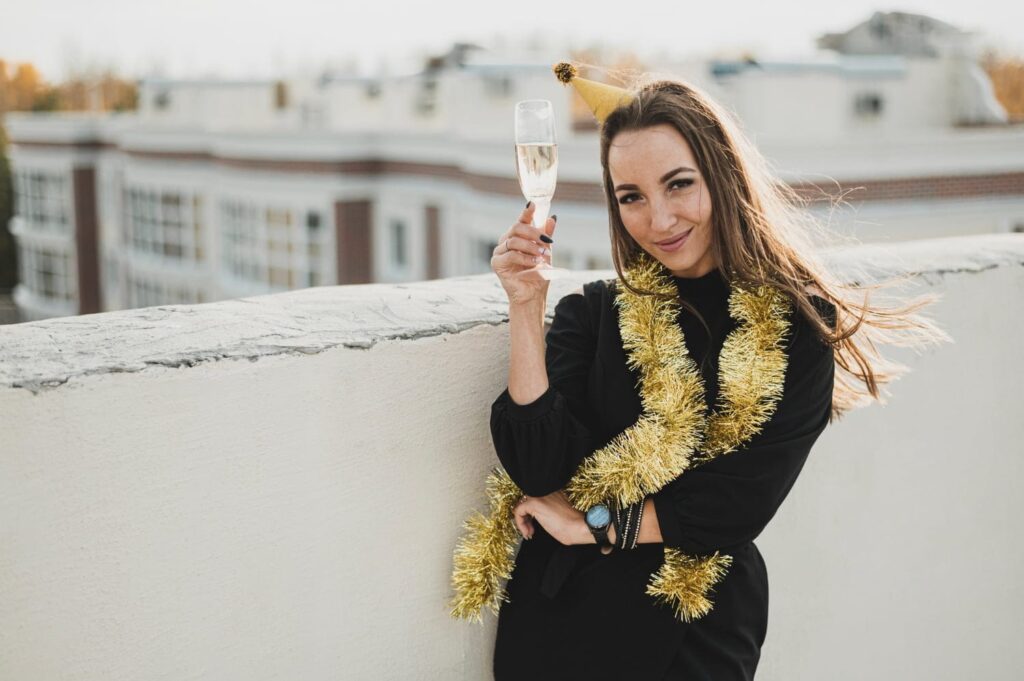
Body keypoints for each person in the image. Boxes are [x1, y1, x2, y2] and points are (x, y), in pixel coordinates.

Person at [452, 63, 946, 680]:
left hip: (696, 635)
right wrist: (525, 306)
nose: (658, 220)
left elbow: (738, 503)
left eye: (679, 185)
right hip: (560, 626)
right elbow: (537, 466)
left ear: (721, 175)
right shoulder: (595, 314)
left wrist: (591, 525)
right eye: (631, 197)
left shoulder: (799, 326)